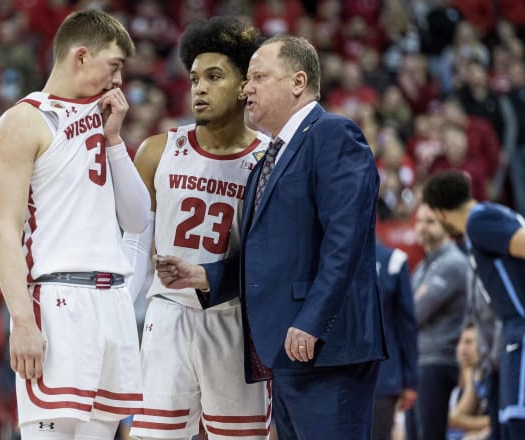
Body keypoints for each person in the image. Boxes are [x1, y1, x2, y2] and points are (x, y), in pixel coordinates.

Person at [156, 35, 386, 440]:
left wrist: (313, 321)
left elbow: (344, 241)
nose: (247, 88)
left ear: (298, 82)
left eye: (258, 76)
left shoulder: (334, 134)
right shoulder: (273, 154)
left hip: (325, 347)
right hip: (288, 351)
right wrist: (206, 277)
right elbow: (273, 255)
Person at [0, 9, 150, 439]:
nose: (118, 81)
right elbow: (5, 230)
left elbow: (137, 218)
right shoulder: (25, 120)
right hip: (57, 300)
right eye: (113, 66)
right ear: (80, 57)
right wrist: (21, 319)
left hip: (111, 302)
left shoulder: (104, 120)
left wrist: (115, 139)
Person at [122, 17, 271, 439]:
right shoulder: (157, 151)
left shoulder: (269, 160)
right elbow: (132, 239)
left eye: (214, 76)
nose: (199, 88)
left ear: (245, 85)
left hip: (235, 319)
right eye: (193, 78)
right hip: (167, 313)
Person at [422, 170, 525, 440]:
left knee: (517, 421)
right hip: (506, 333)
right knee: (507, 423)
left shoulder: (479, 220)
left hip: (519, 327)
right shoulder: (490, 216)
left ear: (441, 212)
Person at [407, 203, 469, 440]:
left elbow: (412, 313)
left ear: (446, 224)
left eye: (430, 221)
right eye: (419, 221)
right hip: (420, 363)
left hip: (438, 362)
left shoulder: (452, 263)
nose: (422, 227)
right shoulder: (425, 265)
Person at [372, 242, 418, 440]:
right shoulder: (325, 257)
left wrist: (410, 381)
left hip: (383, 375)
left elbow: (406, 325)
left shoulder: (394, 260)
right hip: (339, 373)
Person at [447, 322, 492, 440]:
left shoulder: (496, 372)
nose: (462, 349)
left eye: (469, 342)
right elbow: (456, 417)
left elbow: (502, 420)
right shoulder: (475, 374)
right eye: (459, 342)